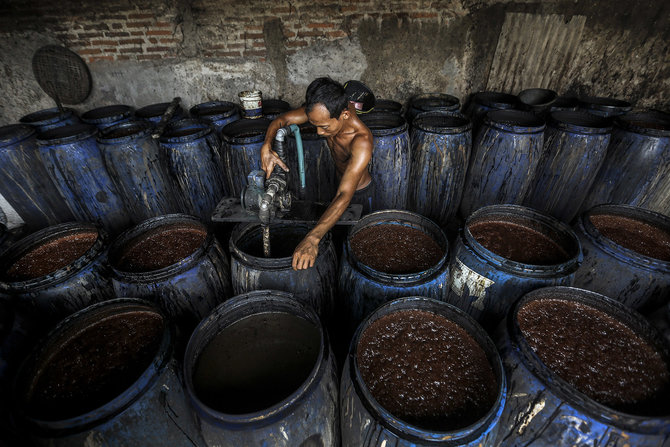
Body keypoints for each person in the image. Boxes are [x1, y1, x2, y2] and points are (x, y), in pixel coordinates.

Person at [260, 77, 375, 271]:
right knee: (335, 242)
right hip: (337, 186)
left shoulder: (362, 140)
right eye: (315, 125)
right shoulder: (325, 108)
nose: (319, 133)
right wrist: (266, 146)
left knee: (357, 254)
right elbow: (282, 120)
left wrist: (312, 239)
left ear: (345, 115)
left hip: (358, 195)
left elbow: (344, 194)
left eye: (325, 127)